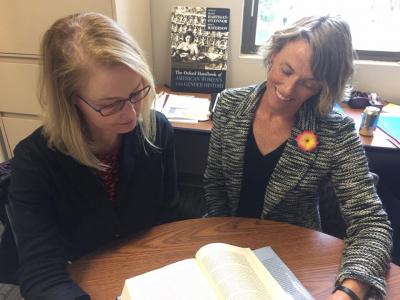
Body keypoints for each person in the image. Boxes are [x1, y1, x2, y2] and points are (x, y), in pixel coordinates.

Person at [204, 15, 392, 299]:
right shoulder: (230, 104)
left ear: (323, 86)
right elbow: (215, 187)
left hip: (294, 258)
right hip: (227, 252)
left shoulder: (334, 130)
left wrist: (348, 293)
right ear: (274, 52)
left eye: (308, 83)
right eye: (286, 70)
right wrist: (219, 246)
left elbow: (371, 224)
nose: (288, 90)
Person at [8, 12, 180, 300]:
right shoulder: (34, 162)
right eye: (110, 104)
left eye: (137, 92)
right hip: (77, 283)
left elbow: (169, 218)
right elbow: (41, 274)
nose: (131, 113)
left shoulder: (156, 130)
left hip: (145, 276)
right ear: (71, 99)